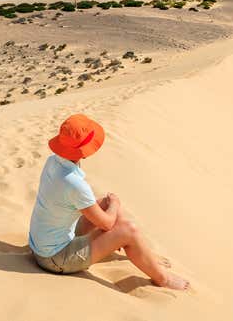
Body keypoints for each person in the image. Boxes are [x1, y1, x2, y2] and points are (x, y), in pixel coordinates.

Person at [28, 114, 189, 290]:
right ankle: (163, 279)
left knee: (105, 204)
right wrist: (115, 204)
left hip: (43, 244)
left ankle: (144, 254)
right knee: (128, 229)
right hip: (54, 259)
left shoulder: (53, 161)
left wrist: (110, 207)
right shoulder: (74, 183)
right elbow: (107, 223)